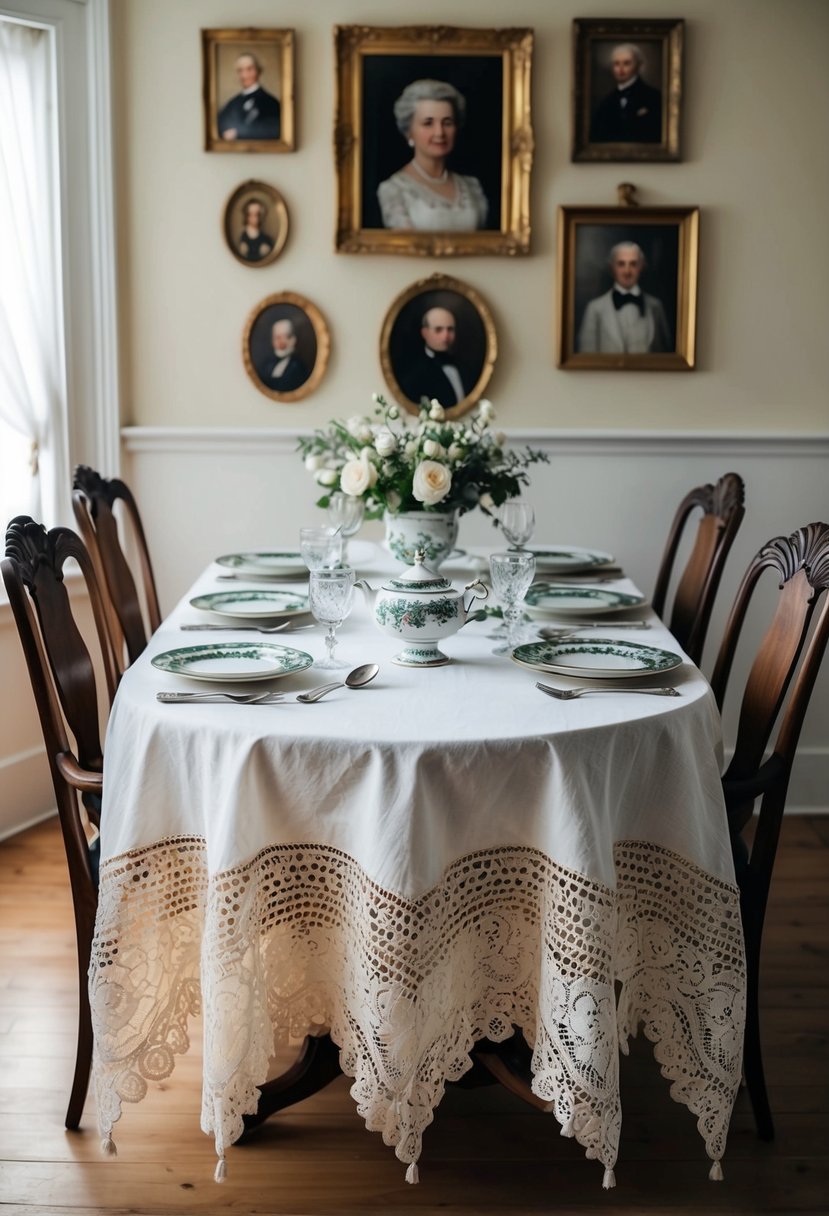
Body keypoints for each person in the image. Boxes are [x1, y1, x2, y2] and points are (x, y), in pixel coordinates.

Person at [376, 79, 488, 231]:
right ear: (409, 131)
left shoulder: (472, 187)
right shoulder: (394, 190)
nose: (439, 133)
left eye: (447, 122)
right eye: (428, 123)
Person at [577, 241, 672, 354]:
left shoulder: (656, 306)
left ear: (641, 267)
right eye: (621, 264)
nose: (627, 271)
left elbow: (667, 356)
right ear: (612, 268)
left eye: (633, 264)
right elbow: (586, 357)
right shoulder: (595, 308)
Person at [398, 306, 472, 406]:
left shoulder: (465, 366)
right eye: (438, 330)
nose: (446, 336)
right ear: (425, 333)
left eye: (450, 329)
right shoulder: (414, 373)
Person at [589, 43, 662, 144]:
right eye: (616, 64)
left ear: (638, 65)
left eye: (627, 63)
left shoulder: (654, 97)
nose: (620, 69)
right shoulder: (605, 102)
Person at [218, 52, 281, 141]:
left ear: (258, 71)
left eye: (249, 69)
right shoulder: (232, 103)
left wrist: (239, 132)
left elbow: (275, 130)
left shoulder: (270, 102)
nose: (245, 75)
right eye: (240, 70)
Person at [258, 318, 309, 391]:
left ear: (293, 339)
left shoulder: (299, 366)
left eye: (286, 337)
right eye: (277, 337)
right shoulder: (266, 365)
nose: (281, 342)